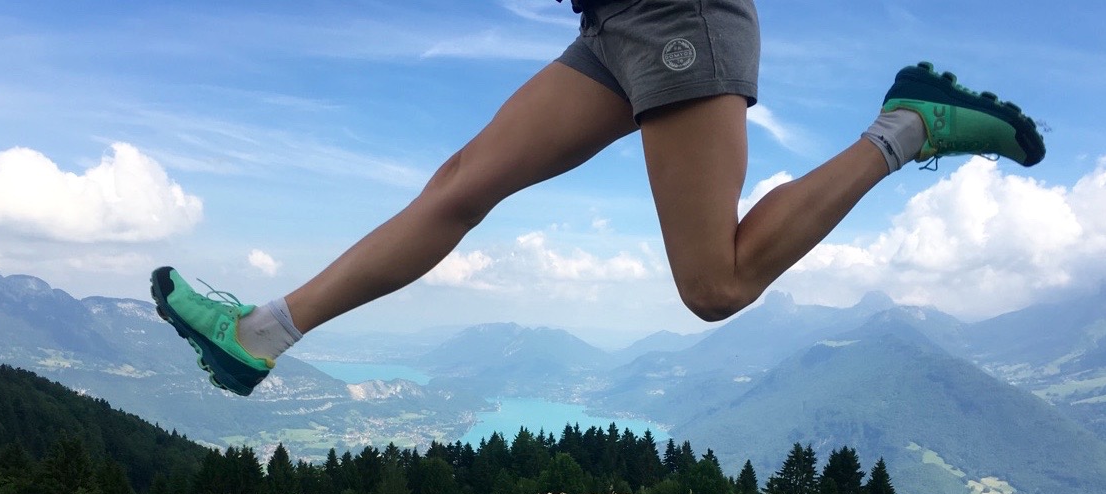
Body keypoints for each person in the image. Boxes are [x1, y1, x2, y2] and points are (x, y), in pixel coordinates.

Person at [151, 0, 1045, 396]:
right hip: (611, 24)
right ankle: (258, 338)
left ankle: (909, 127)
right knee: (462, 185)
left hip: (679, 12)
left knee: (715, 284)